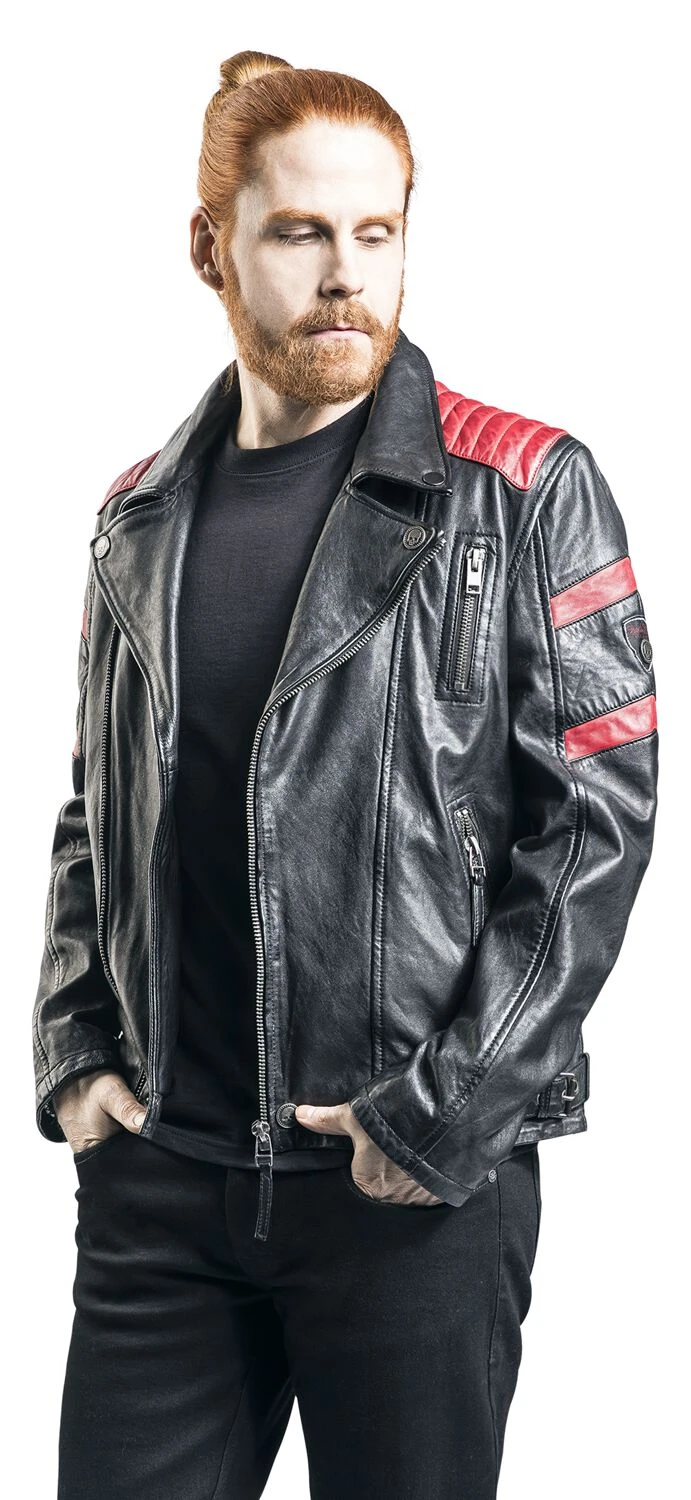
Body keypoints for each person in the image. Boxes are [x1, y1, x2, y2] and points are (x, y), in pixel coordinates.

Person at [31, 49, 659, 1500]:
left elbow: (595, 832)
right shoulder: (134, 516)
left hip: (407, 1193)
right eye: (302, 232)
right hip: (161, 1193)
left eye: (377, 233)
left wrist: (443, 1113)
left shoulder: (524, 489)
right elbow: (93, 812)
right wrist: (74, 1051)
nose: (345, 277)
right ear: (212, 247)